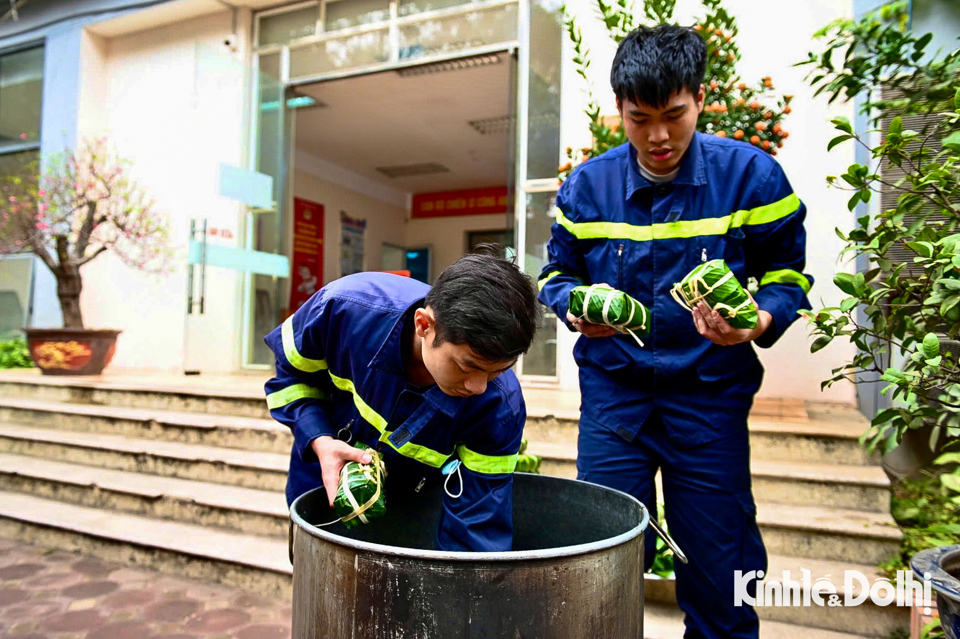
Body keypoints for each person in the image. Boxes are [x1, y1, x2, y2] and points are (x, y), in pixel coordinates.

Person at [537, 25, 813, 639]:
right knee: (600, 558)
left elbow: (787, 275)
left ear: (700, 99)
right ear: (619, 110)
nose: (658, 136)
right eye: (640, 119)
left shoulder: (753, 178)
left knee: (721, 568)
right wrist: (574, 306)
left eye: (674, 116)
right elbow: (555, 272)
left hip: (710, 399)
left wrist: (759, 320)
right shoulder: (586, 189)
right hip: (616, 401)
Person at [265, 246, 541, 552]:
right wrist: (319, 439)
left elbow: (477, 526)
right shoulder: (343, 310)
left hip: (416, 511)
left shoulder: (501, 406)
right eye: (468, 366)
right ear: (424, 325)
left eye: (496, 372)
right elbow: (292, 376)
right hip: (324, 484)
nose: (478, 387)